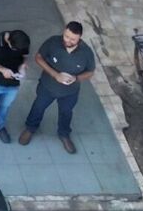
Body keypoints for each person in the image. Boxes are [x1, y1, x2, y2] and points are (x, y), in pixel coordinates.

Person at [18, 20, 95, 154]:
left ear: (80, 38)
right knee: (38, 107)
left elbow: (90, 72)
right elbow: (39, 57)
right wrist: (55, 75)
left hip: (70, 92)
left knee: (66, 112)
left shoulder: (86, 53)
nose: (68, 40)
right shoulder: (53, 42)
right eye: (66, 36)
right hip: (47, 86)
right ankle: (30, 128)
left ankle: (64, 134)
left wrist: (76, 78)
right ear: (64, 31)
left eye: (73, 39)